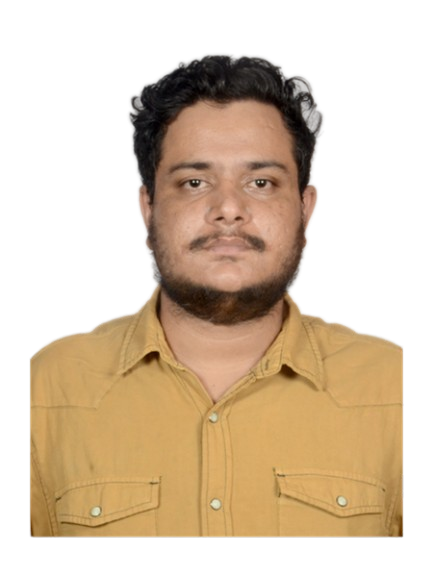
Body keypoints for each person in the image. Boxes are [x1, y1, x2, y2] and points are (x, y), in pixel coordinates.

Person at [30, 53, 403, 538]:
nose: (228, 208)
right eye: (195, 182)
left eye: (261, 182)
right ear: (147, 207)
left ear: (306, 207)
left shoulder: (392, 387)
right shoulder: (47, 387)